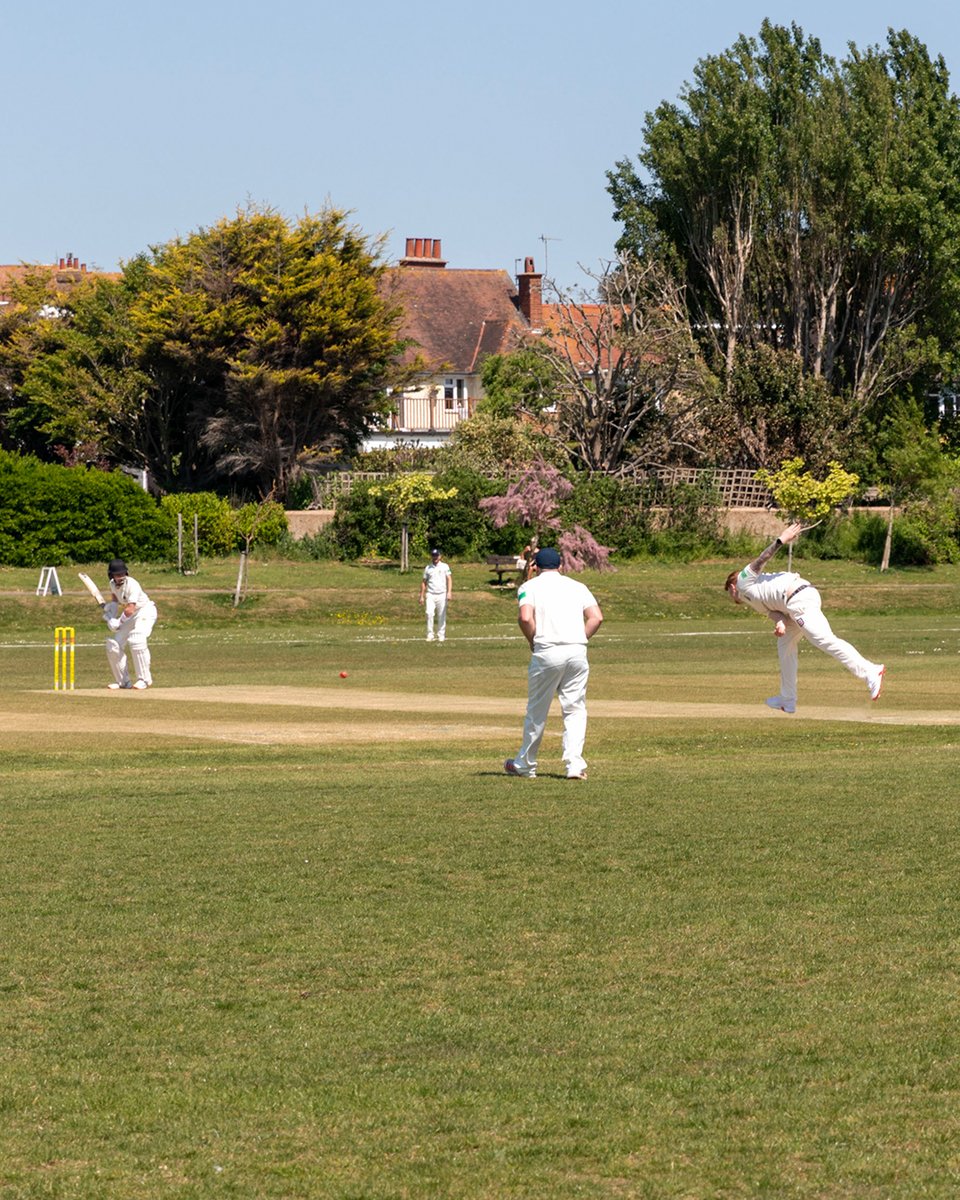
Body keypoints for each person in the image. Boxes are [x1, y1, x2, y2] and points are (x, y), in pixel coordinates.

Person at [724, 522, 885, 713]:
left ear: (732, 587)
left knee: (824, 640)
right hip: (791, 608)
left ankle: (870, 671)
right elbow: (773, 613)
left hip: (799, 599)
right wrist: (780, 624)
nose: (732, 598)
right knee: (785, 647)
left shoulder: (742, 581)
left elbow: (761, 559)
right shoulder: (752, 598)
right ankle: (787, 700)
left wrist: (781, 540)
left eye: (730, 594)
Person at [504, 546, 603, 780]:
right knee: (575, 709)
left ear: (536, 566)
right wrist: (579, 639)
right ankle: (574, 765)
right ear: (560, 565)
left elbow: (525, 617)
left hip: (547, 651)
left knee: (537, 710)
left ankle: (526, 765)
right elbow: (596, 617)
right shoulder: (578, 587)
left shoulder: (528, 587)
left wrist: (533, 640)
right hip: (577, 652)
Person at [103, 558, 159, 690]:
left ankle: (144, 680)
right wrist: (111, 614)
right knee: (114, 646)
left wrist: (118, 622)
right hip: (132, 615)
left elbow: (130, 609)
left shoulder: (132, 584)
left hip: (145, 611)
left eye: (122, 573)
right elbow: (115, 599)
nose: (120, 576)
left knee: (137, 638)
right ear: (111, 575)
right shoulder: (112, 584)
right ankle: (123, 681)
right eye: (117, 574)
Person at [419, 548, 452, 642]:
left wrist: (449, 592)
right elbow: (424, 582)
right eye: (433, 555)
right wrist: (421, 596)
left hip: (442, 594)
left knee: (441, 615)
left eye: (437, 555)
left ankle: (441, 634)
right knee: (429, 613)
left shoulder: (445, 566)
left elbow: (449, 579)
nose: (435, 557)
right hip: (430, 594)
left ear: (440, 556)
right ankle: (430, 634)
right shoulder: (428, 568)